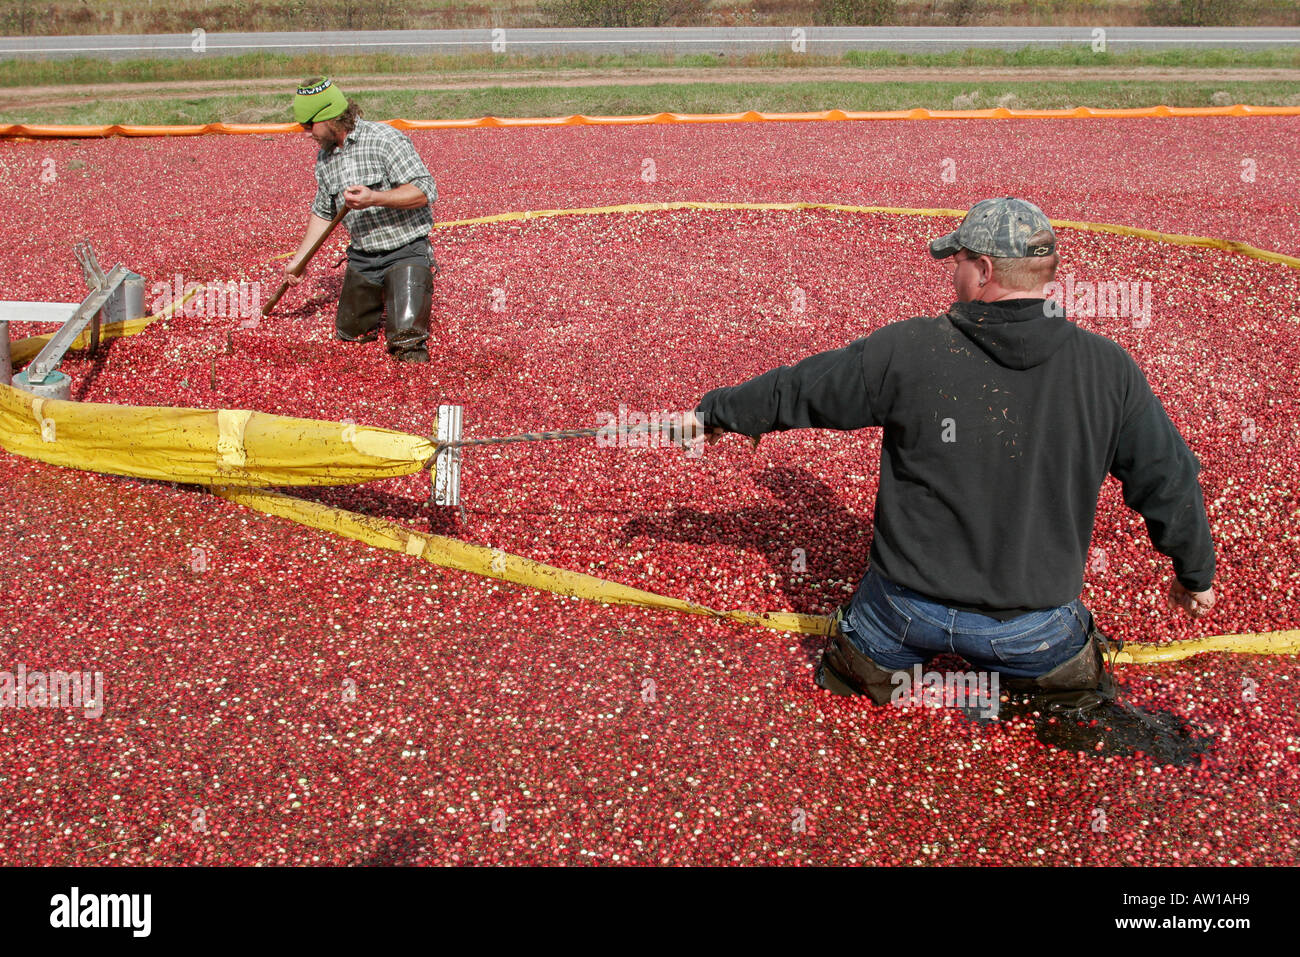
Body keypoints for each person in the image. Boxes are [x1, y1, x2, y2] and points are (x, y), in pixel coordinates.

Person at [683, 197, 1216, 715]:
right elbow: (1167, 478)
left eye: (957, 261)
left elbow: (799, 390)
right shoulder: (1107, 370)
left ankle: (861, 678)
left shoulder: (910, 349)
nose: (953, 272)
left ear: (984, 269)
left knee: (849, 692)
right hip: (1030, 626)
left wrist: (714, 415)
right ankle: (1064, 702)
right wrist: (1194, 575)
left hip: (904, 610)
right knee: (1074, 710)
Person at [284, 77, 438, 363]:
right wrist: (299, 260)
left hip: (405, 251)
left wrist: (374, 198)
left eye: (308, 126)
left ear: (329, 117)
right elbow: (323, 212)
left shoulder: (384, 139)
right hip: (363, 258)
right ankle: (381, 295)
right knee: (350, 333)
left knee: (407, 342)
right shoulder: (325, 158)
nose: (306, 134)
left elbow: (424, 191)